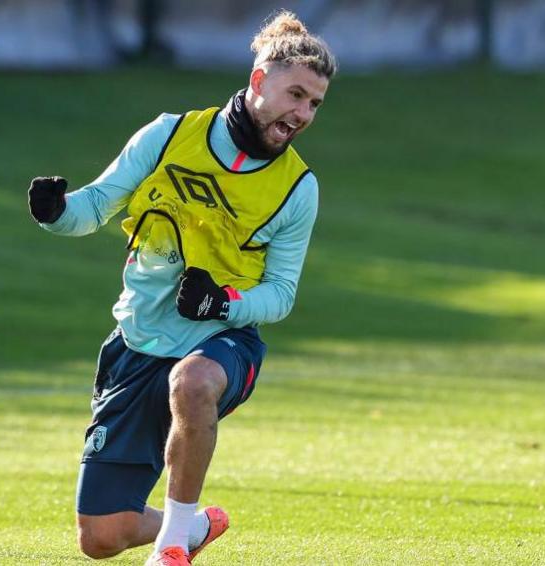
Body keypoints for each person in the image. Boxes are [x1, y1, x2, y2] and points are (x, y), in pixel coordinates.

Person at [27, 10, 336, 565]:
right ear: (259, 81)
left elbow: (282, 293)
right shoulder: (171, 133)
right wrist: (56, 212)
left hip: (223, 341)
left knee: (192, 382)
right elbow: (97, 204)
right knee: (101, 538)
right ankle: (192, 525)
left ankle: (171, 546)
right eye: (296, 95)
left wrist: (224, 302)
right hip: (137, 344)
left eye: (314, 103)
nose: (303, 114)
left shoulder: (298, 188)